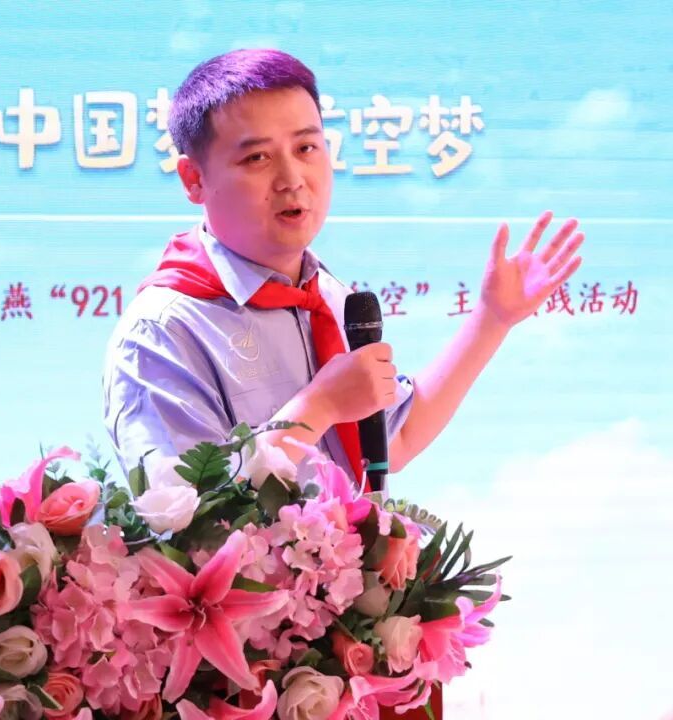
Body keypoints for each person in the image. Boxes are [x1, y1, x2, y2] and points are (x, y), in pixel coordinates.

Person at [103, 48, 583, 489]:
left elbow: (396, 439)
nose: (292, 179)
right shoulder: (161, 331)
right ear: (194, 179)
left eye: (306, 148)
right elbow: (180, 512)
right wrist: (320, 406)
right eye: (257, 157)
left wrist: (492, 319)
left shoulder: (329, 296)